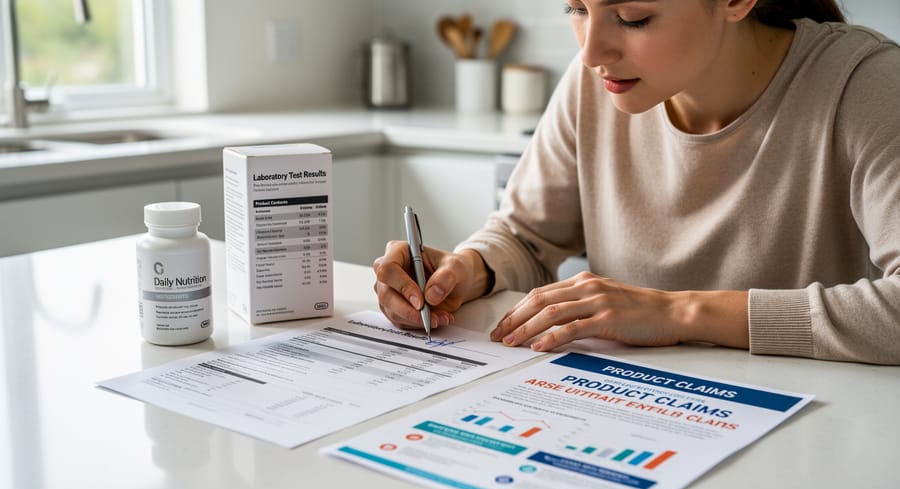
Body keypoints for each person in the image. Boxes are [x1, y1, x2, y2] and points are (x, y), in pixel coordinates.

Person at [373, 0, 900, 365]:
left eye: (633, 17)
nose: (591, 52)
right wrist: (469, 269)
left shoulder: (868, 84)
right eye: (576, 9)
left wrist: (678, 313)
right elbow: (527, 236)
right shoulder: (593, 83)